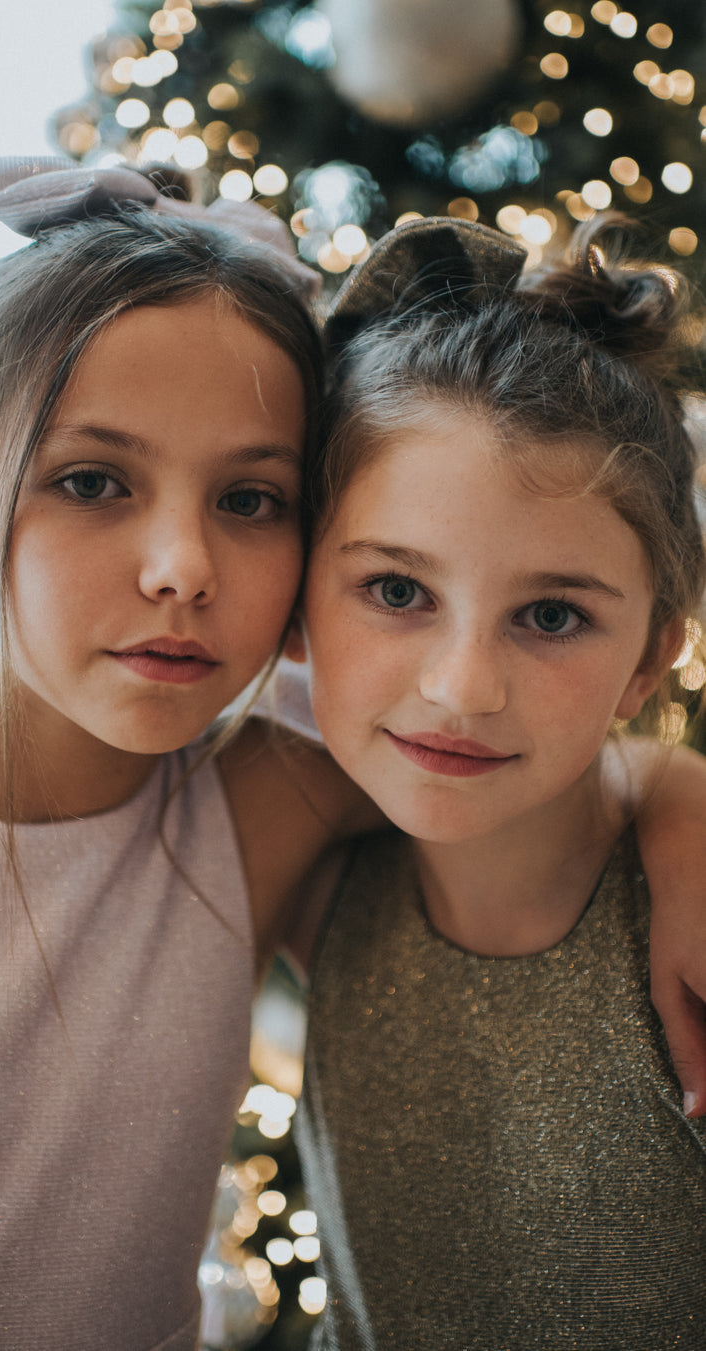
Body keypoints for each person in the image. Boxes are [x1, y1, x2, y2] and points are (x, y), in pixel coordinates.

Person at [0, 168, 706, 1347]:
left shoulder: (270, 799)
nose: (182, 564)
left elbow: (527, 740)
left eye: (248, 499)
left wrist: (679, 793)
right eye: (92, 481)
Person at [293, 215, 706, 1348]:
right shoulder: (297, 867)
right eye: (395, 590)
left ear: (648, 658)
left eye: (554, 615)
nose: (464, 686)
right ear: (295, 601)